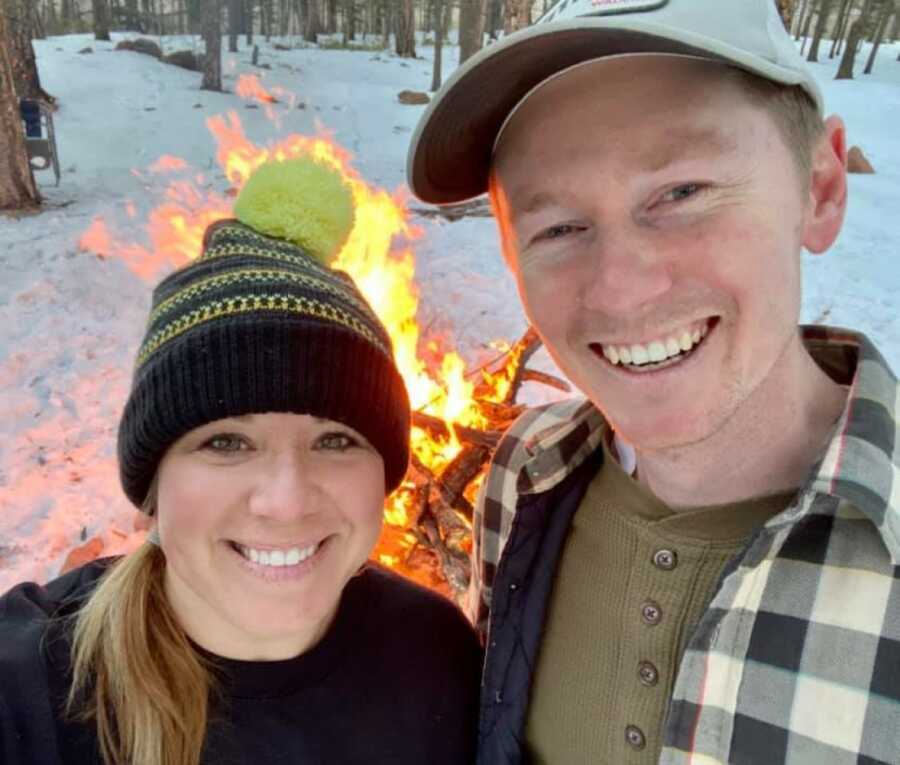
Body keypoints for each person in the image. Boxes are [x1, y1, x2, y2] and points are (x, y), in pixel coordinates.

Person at [407, 0, 900, 763]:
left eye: (681, 193)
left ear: (822, 189)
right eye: (559, 228)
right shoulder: (527, 474)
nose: (622, 289)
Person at [0, 157, 482, 765]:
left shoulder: (437, 656)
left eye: (334, 440)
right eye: (226, 442)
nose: (286, 500)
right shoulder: (29, 692)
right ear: (154, 484)